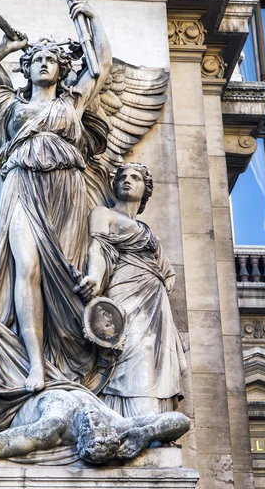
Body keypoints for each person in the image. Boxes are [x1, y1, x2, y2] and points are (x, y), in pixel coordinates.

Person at [0, 0, 112, 393]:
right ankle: (34, 364)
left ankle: (63, 357)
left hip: (66, 189)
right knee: (26, 266)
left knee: (64, 271)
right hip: (20, 185)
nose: (43, 63)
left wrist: (90, 18)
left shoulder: (72, 102)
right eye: (36, 59)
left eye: (51, 59)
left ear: (62, 70)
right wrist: (7, 48)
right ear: (26, 69)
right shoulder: (11, 105)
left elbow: (102, 66)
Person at [77, 163, 187, 416]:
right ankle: (129, 418)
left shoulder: (149, 233)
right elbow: (99, 247)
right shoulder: (103, 214)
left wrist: (159, 287)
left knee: (151, 349)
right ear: (114, 186)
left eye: (135, 178)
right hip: (123, 292)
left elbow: (168, 273)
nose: (127, 180)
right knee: (128, 348)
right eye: (122, 177)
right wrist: (94, 276)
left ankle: (151, 416)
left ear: (145, 189)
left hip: (154, 301)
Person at [0, 386, 190, 466]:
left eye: (94, 431)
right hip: (46, 376)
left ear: (81, 441)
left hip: (9, 398)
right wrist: (145, 433)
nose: (97, 423)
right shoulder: (119, 423)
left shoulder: (53, 426)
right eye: (103, 431)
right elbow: (181, 421)